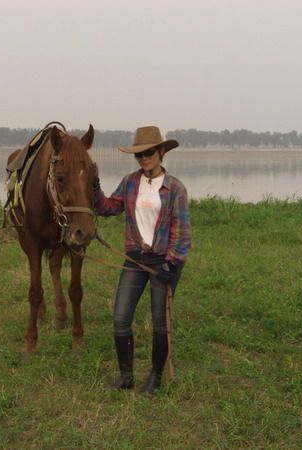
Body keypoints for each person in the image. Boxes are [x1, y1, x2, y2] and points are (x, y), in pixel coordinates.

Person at [94, 125, 192, 394]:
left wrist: (170, 263)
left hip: (163, 262)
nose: (144, 158)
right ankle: (126, 376)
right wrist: (94, 189)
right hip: (136, 258)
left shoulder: (175, 189)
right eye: (139, 154)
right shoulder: (130, 182)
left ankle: (155, 378)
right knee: (120, 318)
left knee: (160, 322)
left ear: (160, 152)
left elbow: (182, 234)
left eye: (148, 152)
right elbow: (109, 207)